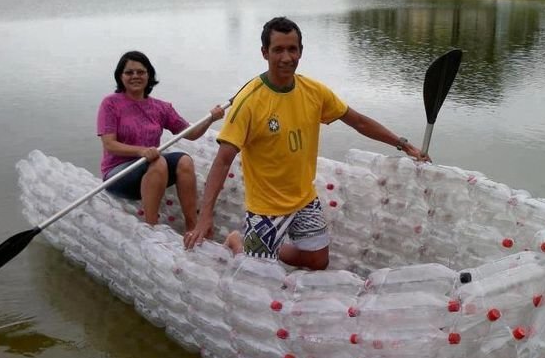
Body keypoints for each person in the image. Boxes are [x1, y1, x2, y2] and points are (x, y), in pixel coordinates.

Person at [184, 17, 426, 269]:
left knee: (318, 261)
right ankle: (238, 242)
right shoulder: (249, 102)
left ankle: (257, 245)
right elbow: (223, 160)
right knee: (257, 275)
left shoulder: (314, 92)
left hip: (304, 198)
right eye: (278, 50)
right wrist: (205, 216)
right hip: (266, 206)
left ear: (301, 51)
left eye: (293, 49)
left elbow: (358, 122)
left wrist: (403, 144)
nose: (287, 57)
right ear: (265, 53)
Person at [97, 50, 225, 231]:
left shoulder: (161, 107)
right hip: (118, 174)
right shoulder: (110, 104)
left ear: (149, 75)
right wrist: (140, 151)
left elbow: (190, 133)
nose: (135, 76)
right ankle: (152, 227)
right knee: (158, 162)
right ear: (120, 76)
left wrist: (211, 118)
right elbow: (109, 144)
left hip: (152, 166)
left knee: (184, 160)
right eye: (129, 72)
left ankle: (192, 226)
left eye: (140, 72)